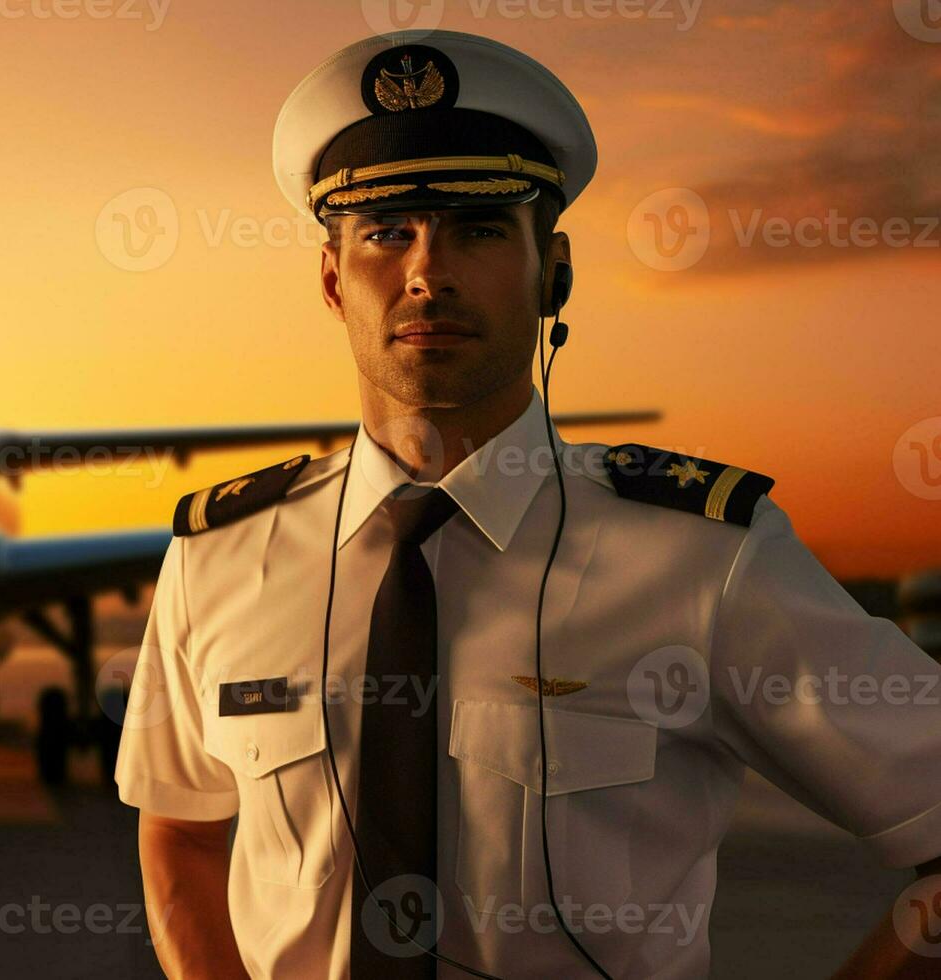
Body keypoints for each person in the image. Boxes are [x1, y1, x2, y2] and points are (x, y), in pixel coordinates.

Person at [113, 29, 941, 979]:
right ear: (335, 282)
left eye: (477, 228)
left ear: (553, 272)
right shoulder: (219, 556)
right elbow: (180, 829)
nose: (429, 272)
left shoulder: (704, 561)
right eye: (387, 231)